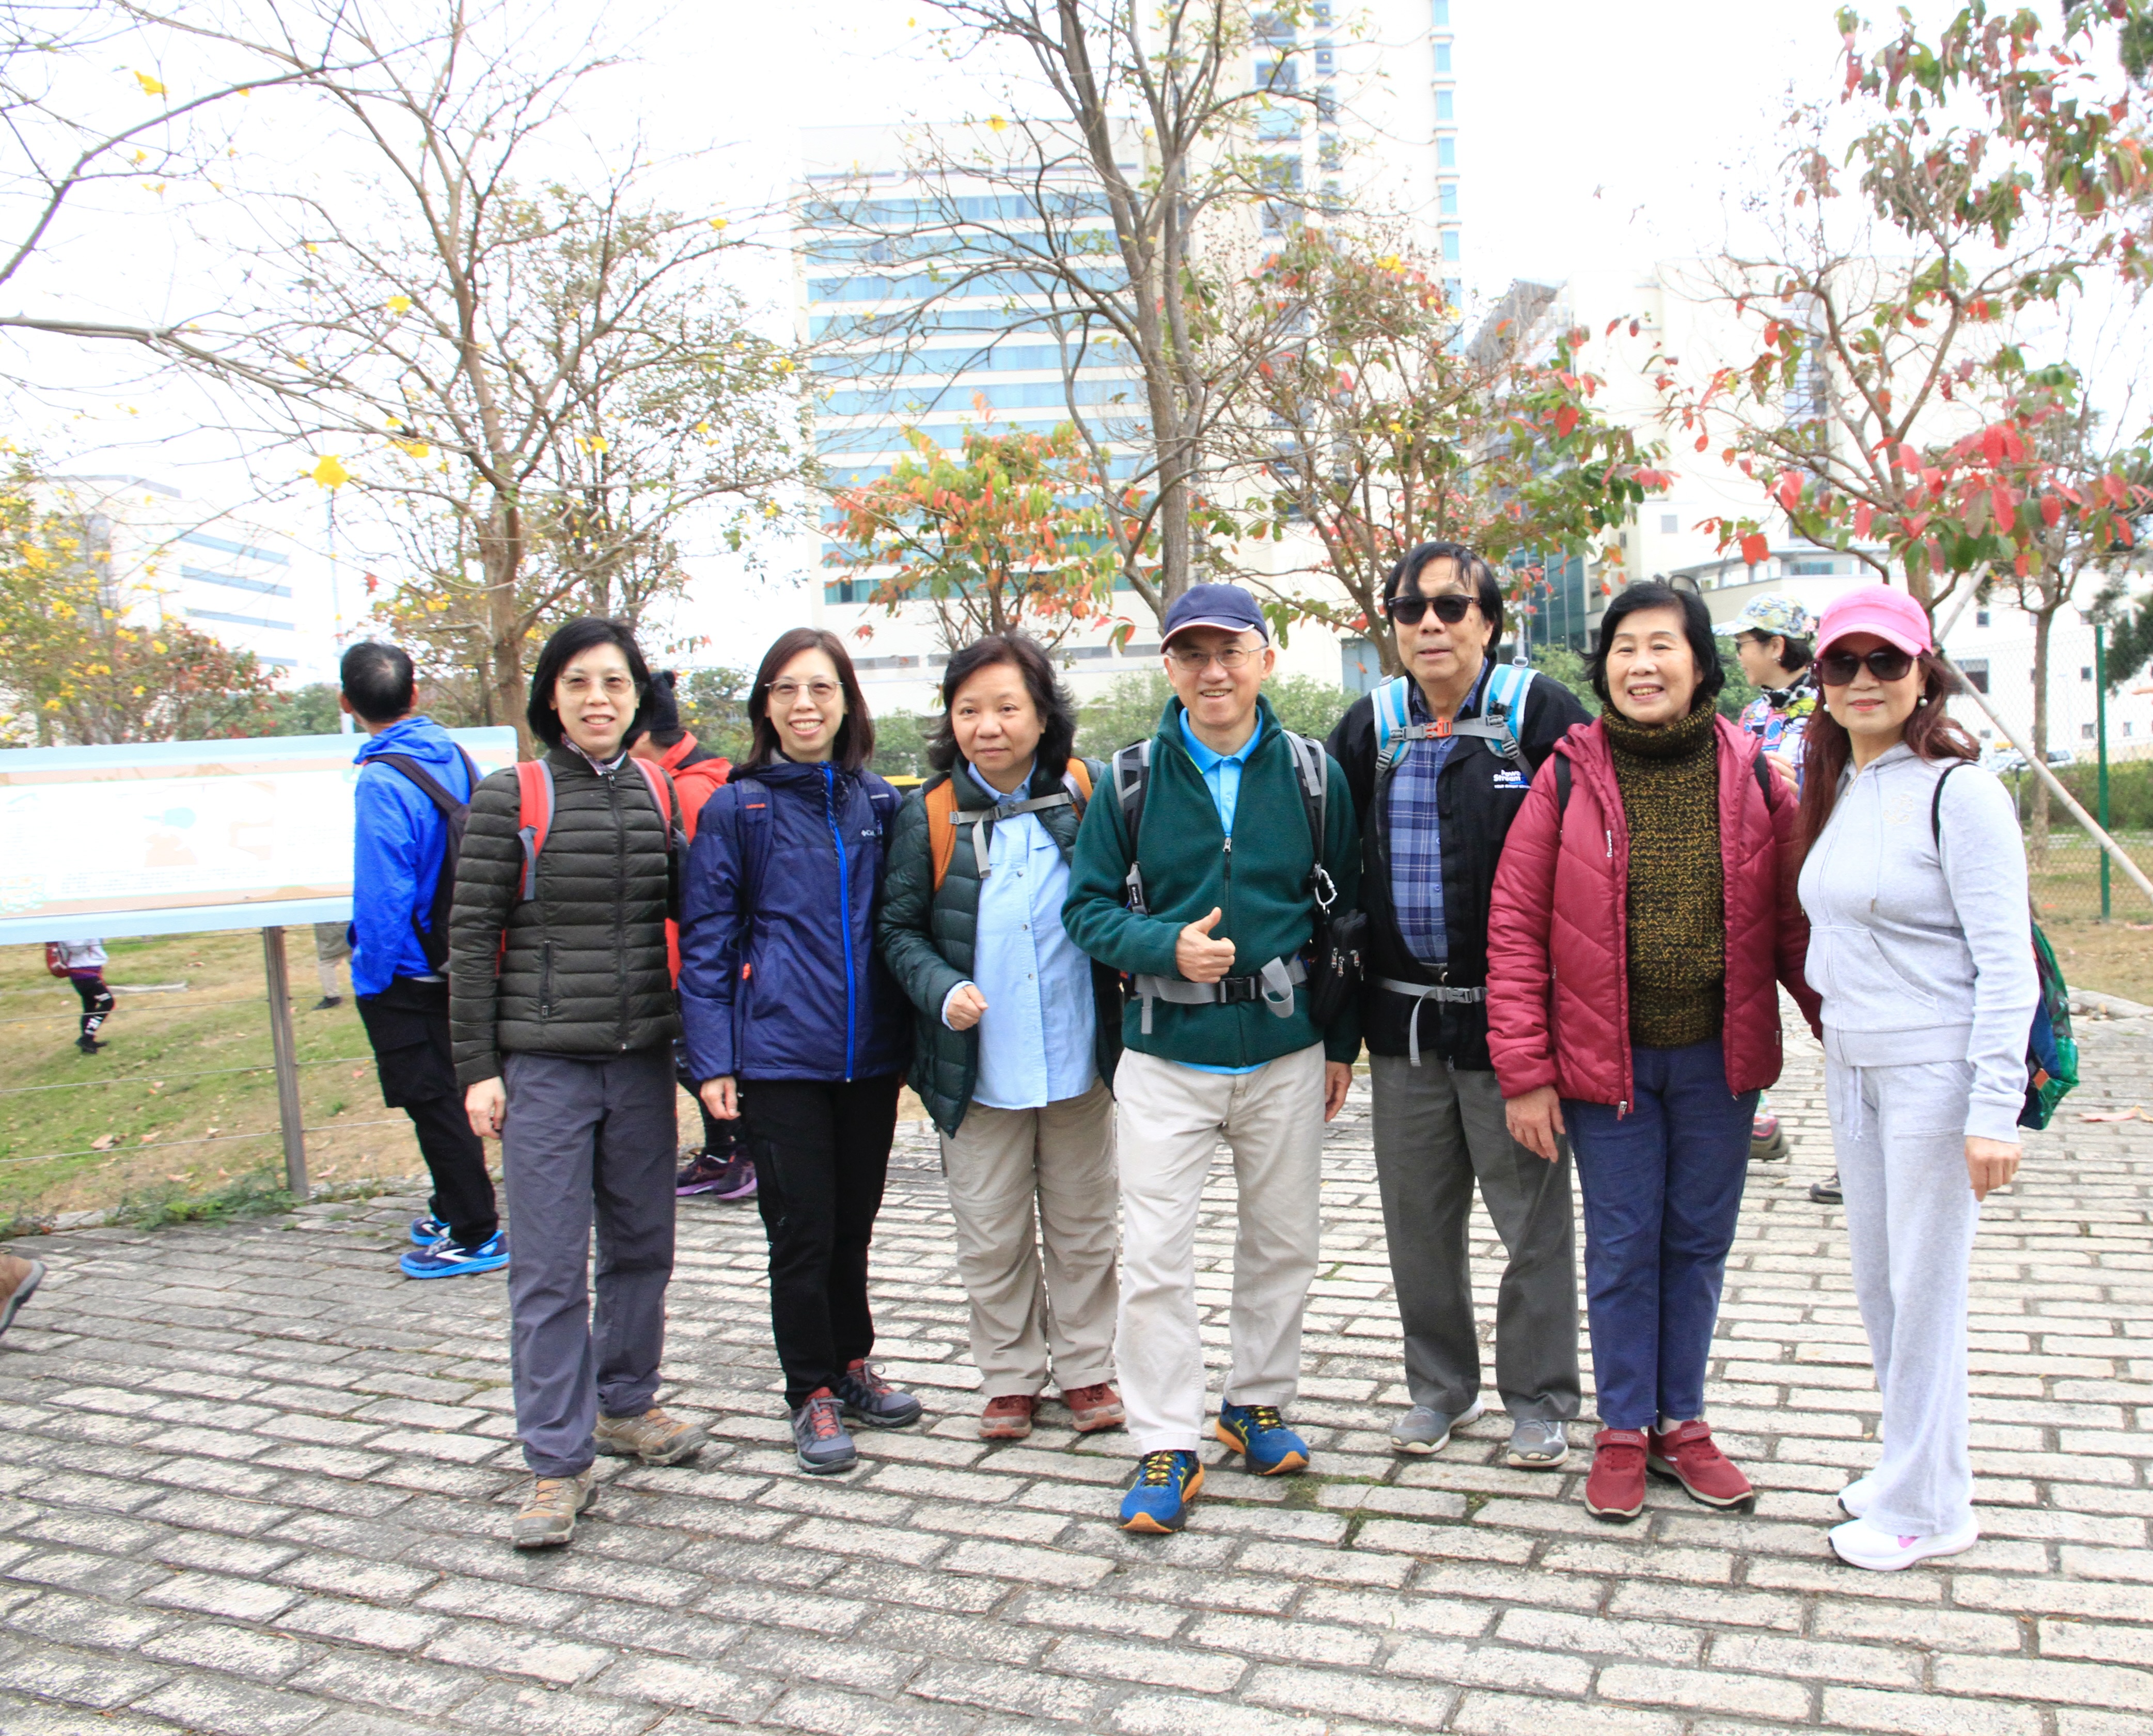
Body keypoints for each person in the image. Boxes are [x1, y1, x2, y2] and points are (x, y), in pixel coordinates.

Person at [1488, 581, 1820, 1523]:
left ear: (1700, 664)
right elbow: (1514, 931)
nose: (1642, 665)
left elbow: (1796, 926)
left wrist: (1851, 1040)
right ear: (1602, 668)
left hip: (1719, 1062)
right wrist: (1525, 1074)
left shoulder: (1756, 777)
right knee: (1624, 1246)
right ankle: (1623, 1428)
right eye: (1624, 647)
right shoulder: (1565, 776)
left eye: (1662, 645)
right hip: (1610, 1070)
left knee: (1698, 1244)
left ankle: (1683, 1422)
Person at [1062, 583, 1361, 1535]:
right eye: (1191, 654)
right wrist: (1163, 948)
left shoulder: (1313, 774)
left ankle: (1255, 1401)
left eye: (1230, 651)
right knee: (1155, 1257)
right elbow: (1085, 909)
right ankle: (1164, 1437)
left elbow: (1345, 914)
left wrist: (1339, 1044)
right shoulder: (1129, 778)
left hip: (1285, 1051)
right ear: (1169, 668)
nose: (1213, 671)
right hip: (1165, 1053)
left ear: (1265, 660)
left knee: (1284, 1242)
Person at [1325, 543, 1591, 1469]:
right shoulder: (1369, 726)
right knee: (1417, 1225)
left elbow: (1594, 855)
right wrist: (1336, 1032)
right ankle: (1438, 1389)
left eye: (1450, 606)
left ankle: (1540, 1398)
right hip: (1401, 1027)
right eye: (1410, 609)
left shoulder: (1536, 713)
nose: (1429, 624)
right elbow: (1333, 874)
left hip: (1511, 1030)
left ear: (1487, 621)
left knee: (1532, 1225)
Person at [449, 617, 705, 1550]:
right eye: (578, 683)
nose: (598, 699)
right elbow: (469, 939)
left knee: (641, 1247)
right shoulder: (509, 795)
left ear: (637, 697)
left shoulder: (655, 791)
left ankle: (625, 1402)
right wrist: (477, 1069)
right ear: (550, 699)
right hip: (545, 1066)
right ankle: (556, 1461)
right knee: (549, 1268)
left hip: (639, 1061)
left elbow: (693, 914)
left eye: (615, 682)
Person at [1796, 584, 2035, 1571]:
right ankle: (1913, 1469)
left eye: (1884, 661)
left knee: (1924, 1292)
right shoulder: (1842, 784)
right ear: (1818, 680)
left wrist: (1992, 1110)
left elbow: (2005, 963)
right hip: (1852, 1068)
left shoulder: (1958, 792)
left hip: (1932, 1074)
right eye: (1841, 663)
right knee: (1882, 1290)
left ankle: (1929, 1510)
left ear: (1922, 673)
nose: (1862, 680)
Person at [678, 627, 918, 1477]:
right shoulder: (737, 809)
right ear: (765, 706)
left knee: (853, 1224)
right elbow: (706, 943)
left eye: (819, 687)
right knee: (801, 1230)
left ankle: (852, 1363)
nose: (803, 704)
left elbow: (902, 924)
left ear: (846, 701)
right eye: (784, 689)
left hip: (869, 1058)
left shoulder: (879, 805)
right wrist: (711, 1060)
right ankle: (808, 1388)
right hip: (779, 1056)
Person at [878, 633, 1124, 1441]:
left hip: (1079, 1057)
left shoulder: (1086, 792)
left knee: (1084, 1228)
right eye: (969, 710)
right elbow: (898, 929)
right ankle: (1011, 1378)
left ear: (1043, 715)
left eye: (1008, 707)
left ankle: (1087, 1369)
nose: (988, 726)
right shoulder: (930, 812)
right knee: (991, 1233)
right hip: (976, 1066)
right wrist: (942, 989)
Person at [339, 640, 505, 1281]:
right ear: (415, 694)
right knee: (458, 1090)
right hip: (463, 956)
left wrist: (371, 977)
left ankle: (474, 1231)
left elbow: (383, 894)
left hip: (409, 970)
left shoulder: (381, 780)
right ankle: (449, 1206)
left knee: (433, 1102)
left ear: (347, 703)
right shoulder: (457, 757)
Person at [625, 669, 751, 1203]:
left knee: (691, 1057)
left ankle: (747, 1148)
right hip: (690, 954)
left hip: (692, 957)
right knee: (692, 1057)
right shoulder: (690, 778)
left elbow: (701, 895)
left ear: (645, 735)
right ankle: (721, 1151)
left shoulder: (690, 790)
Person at [1716, 593, 1820, 1174]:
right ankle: (1753, 1115)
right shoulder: (1753, 714)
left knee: (1835, 1006)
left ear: (1776, 646)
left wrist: (1802, 788)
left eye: (1743, 644)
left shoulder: (1833, 709)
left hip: (1825, 882)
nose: (1738, 656)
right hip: (1762, 878)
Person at [45, 940, 113, 1054]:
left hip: (87, 972)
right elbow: (76, 949)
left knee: (90, 1007)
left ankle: (88, 1043)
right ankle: (86, 1038)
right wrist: (88, 934)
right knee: (108, 1003)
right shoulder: (72, 933)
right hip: (84, 973)